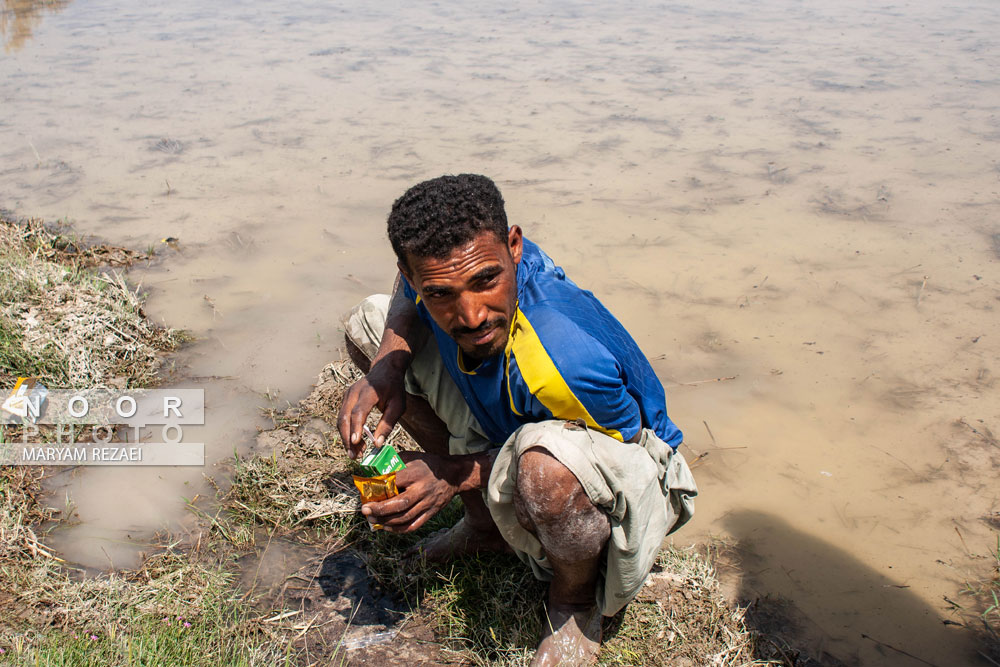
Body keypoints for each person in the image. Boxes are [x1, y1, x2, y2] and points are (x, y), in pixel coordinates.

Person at [337, 174, 697, 666]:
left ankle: (575, 601)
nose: (471, 315)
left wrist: (453, 473)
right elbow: (404, 286)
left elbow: (626, 441)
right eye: (440, 293)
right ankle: (485, 525)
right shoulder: (466, 255)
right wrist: (391, 363)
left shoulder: (562, 355)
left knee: (544, 471)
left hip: (616, 455)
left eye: (486, 281)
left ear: (514, 247)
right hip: (513, 415)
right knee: (370, 324)